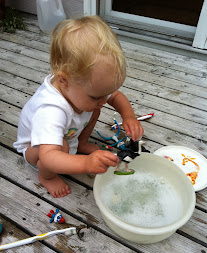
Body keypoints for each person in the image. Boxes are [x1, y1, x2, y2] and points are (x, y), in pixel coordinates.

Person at [13, 16, 144, 198]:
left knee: (95, 108)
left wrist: (128, 116)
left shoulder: (80, 86)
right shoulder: (51, 110)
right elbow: (49, 156)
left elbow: (115, 96)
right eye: (96, 95)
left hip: (66, 134)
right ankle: (47, 178)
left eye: (105, 94)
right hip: (36, 151)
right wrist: (85, 164)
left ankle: (80, 143)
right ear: (63, 80)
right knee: (62, 147)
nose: (104, 99)